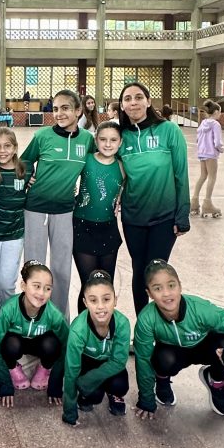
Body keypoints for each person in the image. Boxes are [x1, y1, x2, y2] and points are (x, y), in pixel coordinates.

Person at [133, 259, 224, 419]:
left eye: (171, 285)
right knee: (162, 359)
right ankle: (162, 379)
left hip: (204, 347)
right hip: (172, 352)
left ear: (180, 286)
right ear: (149, 294)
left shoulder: (201, 309)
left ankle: (216, 381)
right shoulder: (146, 319)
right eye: (157, 288)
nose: (166, 293)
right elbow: (143, 359)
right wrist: (146, 399)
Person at [117, 82, 190, 315]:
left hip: (164, 217)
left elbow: (181, 174)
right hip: (133, 217)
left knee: (157, 272)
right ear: (122, 105)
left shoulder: (169, 130)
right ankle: (143, 325)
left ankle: (162, 323)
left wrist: (183, 214)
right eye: (128, 99)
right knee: (139, 270)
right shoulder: (120, 136)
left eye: (139, 97)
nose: (133, 102)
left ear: (148, 101)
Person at [21, 89, 94, 318]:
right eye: (55, 109)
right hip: (35, 209)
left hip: (64, 211)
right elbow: (24, 161)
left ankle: (60, 320)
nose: (59, 113)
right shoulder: (43, 136)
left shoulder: (87, 139)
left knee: (62, 270)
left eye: (65, 108)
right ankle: (32, 317)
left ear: (78, 111)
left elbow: (98, 165)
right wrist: (27, 176)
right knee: (34, 267)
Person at [0, 260, 69, 405]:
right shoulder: (8, 310)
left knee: (52, 344)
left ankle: (45, 368)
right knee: (9, 344)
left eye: (47, 288)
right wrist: (5, 385)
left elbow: (67, 347)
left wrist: (55, 383)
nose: (41, 293)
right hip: (17, 343)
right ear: (23, 285)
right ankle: (12, 367)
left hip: (40, 345)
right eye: (36, 286)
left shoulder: (54, 315)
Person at [62, 270, 131, 425]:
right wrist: (69, 411)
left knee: (120, 385)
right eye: (93, 300)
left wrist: (88, 380)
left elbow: (119, 361)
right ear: (85, 303)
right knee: (94, 395)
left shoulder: (122, 323)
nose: (100, 306)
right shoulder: (78, 329)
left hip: (111, 363)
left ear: (115, 300)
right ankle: (85, 396)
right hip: (87, 362)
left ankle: (114, 395)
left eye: (106, 299)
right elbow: (71, 369)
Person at [72, 121, 125, 314]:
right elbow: (63, 174)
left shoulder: (122, 166)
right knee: (89, 285)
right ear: (96, 140)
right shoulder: (86, 160)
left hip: (108, 229)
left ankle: (104, 325)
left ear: (120, 142)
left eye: (113, 140)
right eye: (103, 139)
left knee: (105, 284)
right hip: (83, 227)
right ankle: (83, 326)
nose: (108, 144)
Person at [0, 128, 29, 323]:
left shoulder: (25, 170)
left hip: (14, 235)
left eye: (7, 146)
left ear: (15, 148)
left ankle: (8, 322)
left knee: (7, 285)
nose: (2, 151)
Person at [191, 100, 224, 219]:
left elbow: (197, 139)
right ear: (216, 112)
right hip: (211, 153)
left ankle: (194, 202)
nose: (220, 114)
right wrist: (221, 149)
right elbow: (217, 142)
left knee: (203, 176)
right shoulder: (215, 124)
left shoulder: (203, 123)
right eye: (220, 112)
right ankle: (207, 203)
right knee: (212, 177)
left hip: (202, 152)